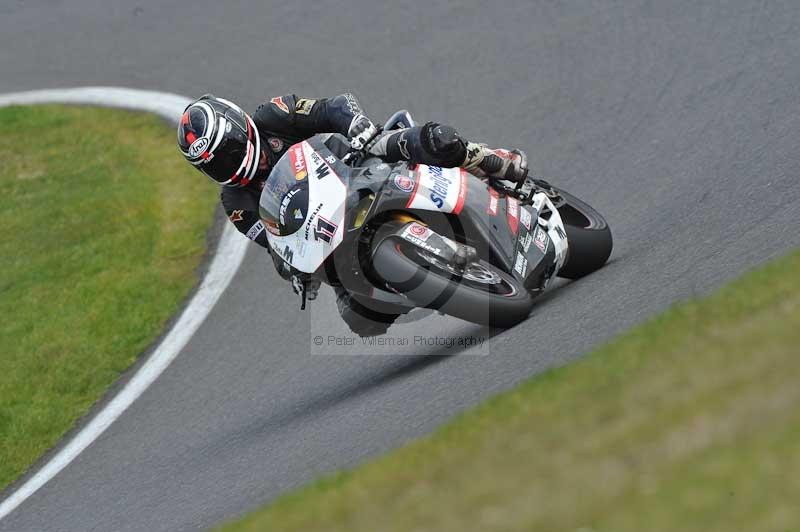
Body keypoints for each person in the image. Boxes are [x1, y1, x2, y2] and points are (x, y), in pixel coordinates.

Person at [177, 93, 528, 336]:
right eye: (216, 165)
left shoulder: (273, 114)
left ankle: (487, 159)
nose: (229, 165)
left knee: (438, 139)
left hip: (357, 164)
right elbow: (275, 247)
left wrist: (356, 124)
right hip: (328, 231)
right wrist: (295, 272)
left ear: (240, 129)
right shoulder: (235, 203)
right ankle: (431, 280)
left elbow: (331, 107)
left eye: (229, 152)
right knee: (362, 321)